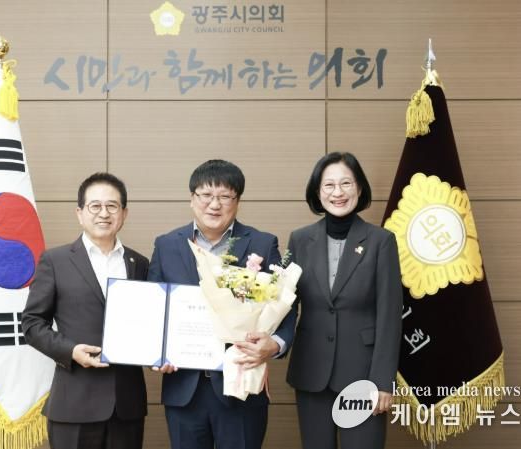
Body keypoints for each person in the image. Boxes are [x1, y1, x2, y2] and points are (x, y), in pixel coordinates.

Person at [148, 159, 297, 449]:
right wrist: (156, 353)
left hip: (241, 388)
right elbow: (154, 308)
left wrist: (275, 344)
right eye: (206, 195)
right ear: (192, 199)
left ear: (237, 201)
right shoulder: (166, 245)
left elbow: (286, 306)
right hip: (183, 389)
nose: (214, 204)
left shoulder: (263, 244)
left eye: (225, 196)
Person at [22, 172, 149, 449]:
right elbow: (32, 324)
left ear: (124, 213)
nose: (104, 213)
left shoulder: (139, 264)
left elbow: (150, 322)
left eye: (112, 206)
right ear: (80, 213)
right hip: (74, 404)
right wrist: (70, 351)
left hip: (126, 406)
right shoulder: (55, 261)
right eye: (95, 206)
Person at [286, 152, 402, 449]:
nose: (337, 192)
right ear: (317, 192)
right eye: (329, 185)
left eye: (346, 183)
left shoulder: (381, 241)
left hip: (363, 376)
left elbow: (389, 316)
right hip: (311, 371)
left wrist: (382, 381)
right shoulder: (300, 240)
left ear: (359, 188)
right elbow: (285, 305)